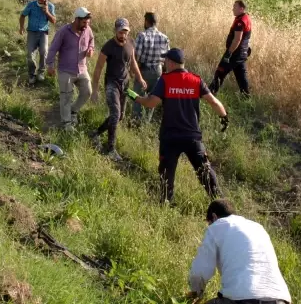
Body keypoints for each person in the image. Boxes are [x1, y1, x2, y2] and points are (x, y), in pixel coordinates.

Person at [132, 48, 227, 203]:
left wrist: (135, 97)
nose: (164, 63)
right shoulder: (196, 80)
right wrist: (224, 117)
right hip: (192, 137)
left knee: (166, 175)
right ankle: (220, 204)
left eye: (165, 61)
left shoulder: (166, 80)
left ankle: (165, 204)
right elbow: (213, 102)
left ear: (171, 62)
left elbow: (151, 103)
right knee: (205, 172)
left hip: (170, 137)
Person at [187, 199, 292, 304]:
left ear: (214, 217)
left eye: (209, 223)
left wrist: (195, 294)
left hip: (241, 299)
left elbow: (200, 272)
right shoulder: (258, 228)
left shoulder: (217, 226)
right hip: (280, 298)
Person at [90, 18, 147, 162]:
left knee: (120, 116)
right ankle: (111, 149)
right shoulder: (108, 47)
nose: (123, 35)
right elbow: (98, 69)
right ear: (115, 30)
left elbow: (133, 62)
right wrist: (95, 90)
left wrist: (140, 79)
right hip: (111, 84)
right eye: (121, 31)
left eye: (125, 32)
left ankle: (96, 133)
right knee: (115, 114)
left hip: (125, 84)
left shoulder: (130, 43)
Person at [46, 7, 95, 131]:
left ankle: (73, 111)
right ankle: (66, 124)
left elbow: (91, 41)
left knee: (87, 92)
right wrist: (50, 65)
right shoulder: (64, 31)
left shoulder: (87, 29)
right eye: (84, 22)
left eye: (88, 23)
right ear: (77, 19)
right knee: (66, 97)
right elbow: (53, 48)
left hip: (82, 69)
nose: (86, 25)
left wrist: (90, 49)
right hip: (66, 70)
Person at [209, 0, 252, 97]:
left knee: (220, 72)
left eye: (235, 7)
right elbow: (246, 37)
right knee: (241, 76)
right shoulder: (246, 18)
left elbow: (237, 39)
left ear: (242, 8)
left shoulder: (240, 22)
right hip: (242, 53)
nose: (232, 9)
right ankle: (246, 97)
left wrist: (229, 53)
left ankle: (210, 94)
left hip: (235, 54)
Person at [132, 12, 170, 124]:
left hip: (143, 70)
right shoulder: (165, 38)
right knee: (153, 97)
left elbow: (136, 56)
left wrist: (133, 70)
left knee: (138, 96)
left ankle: (136, 121)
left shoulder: (142, 36)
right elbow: (167, 59)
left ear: (146, 21)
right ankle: (146, 122)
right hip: (158, 70)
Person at [18, 0, 56, 84]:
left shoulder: (50, 6)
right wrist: (21, 27)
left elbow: (53, 21)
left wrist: (46, 11)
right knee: (30, 55)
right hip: (32, 32)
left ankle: (41, 72)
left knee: (44, 52)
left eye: (43, 0)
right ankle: (32, 74)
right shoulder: (31, 5)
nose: (40, 1)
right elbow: (22, 15)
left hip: (43, 32)